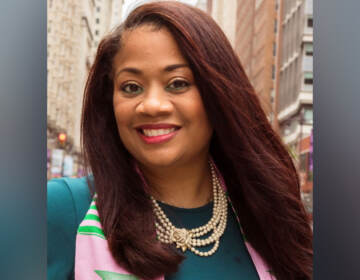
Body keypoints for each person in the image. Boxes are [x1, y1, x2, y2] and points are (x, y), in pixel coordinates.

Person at [47, 1, 313, 279]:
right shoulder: (64, 210)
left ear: (217, 95)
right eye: (131, 87)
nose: (151, 105)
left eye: (177, 83)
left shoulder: (268, 217)